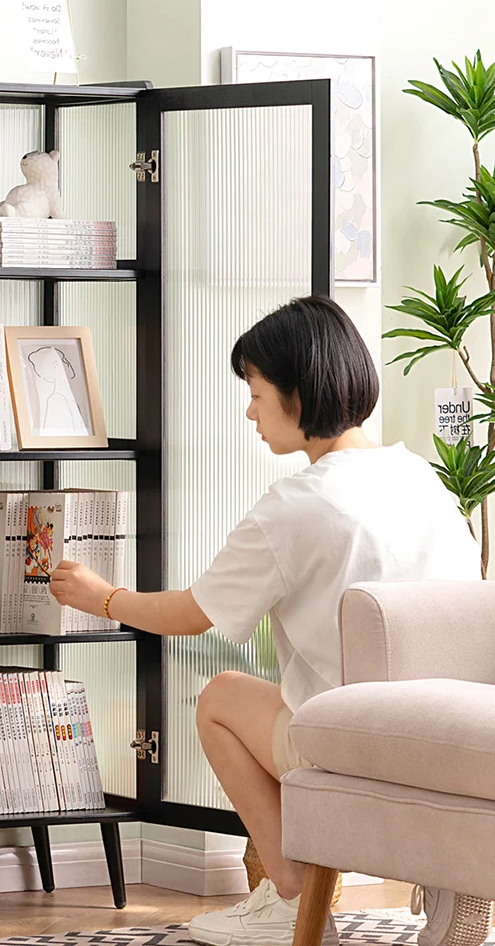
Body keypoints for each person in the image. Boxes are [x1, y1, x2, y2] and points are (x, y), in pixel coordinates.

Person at [49, 296, 489, 946]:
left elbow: (192, 614)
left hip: (349, 737)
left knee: (221, 697)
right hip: (439, 734)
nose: (249, 411)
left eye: (256, 392)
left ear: (299, 391)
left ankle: (291, 893)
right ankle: (451, 879)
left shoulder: (296, 507)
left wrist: (103, 597)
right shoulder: (422, 479)